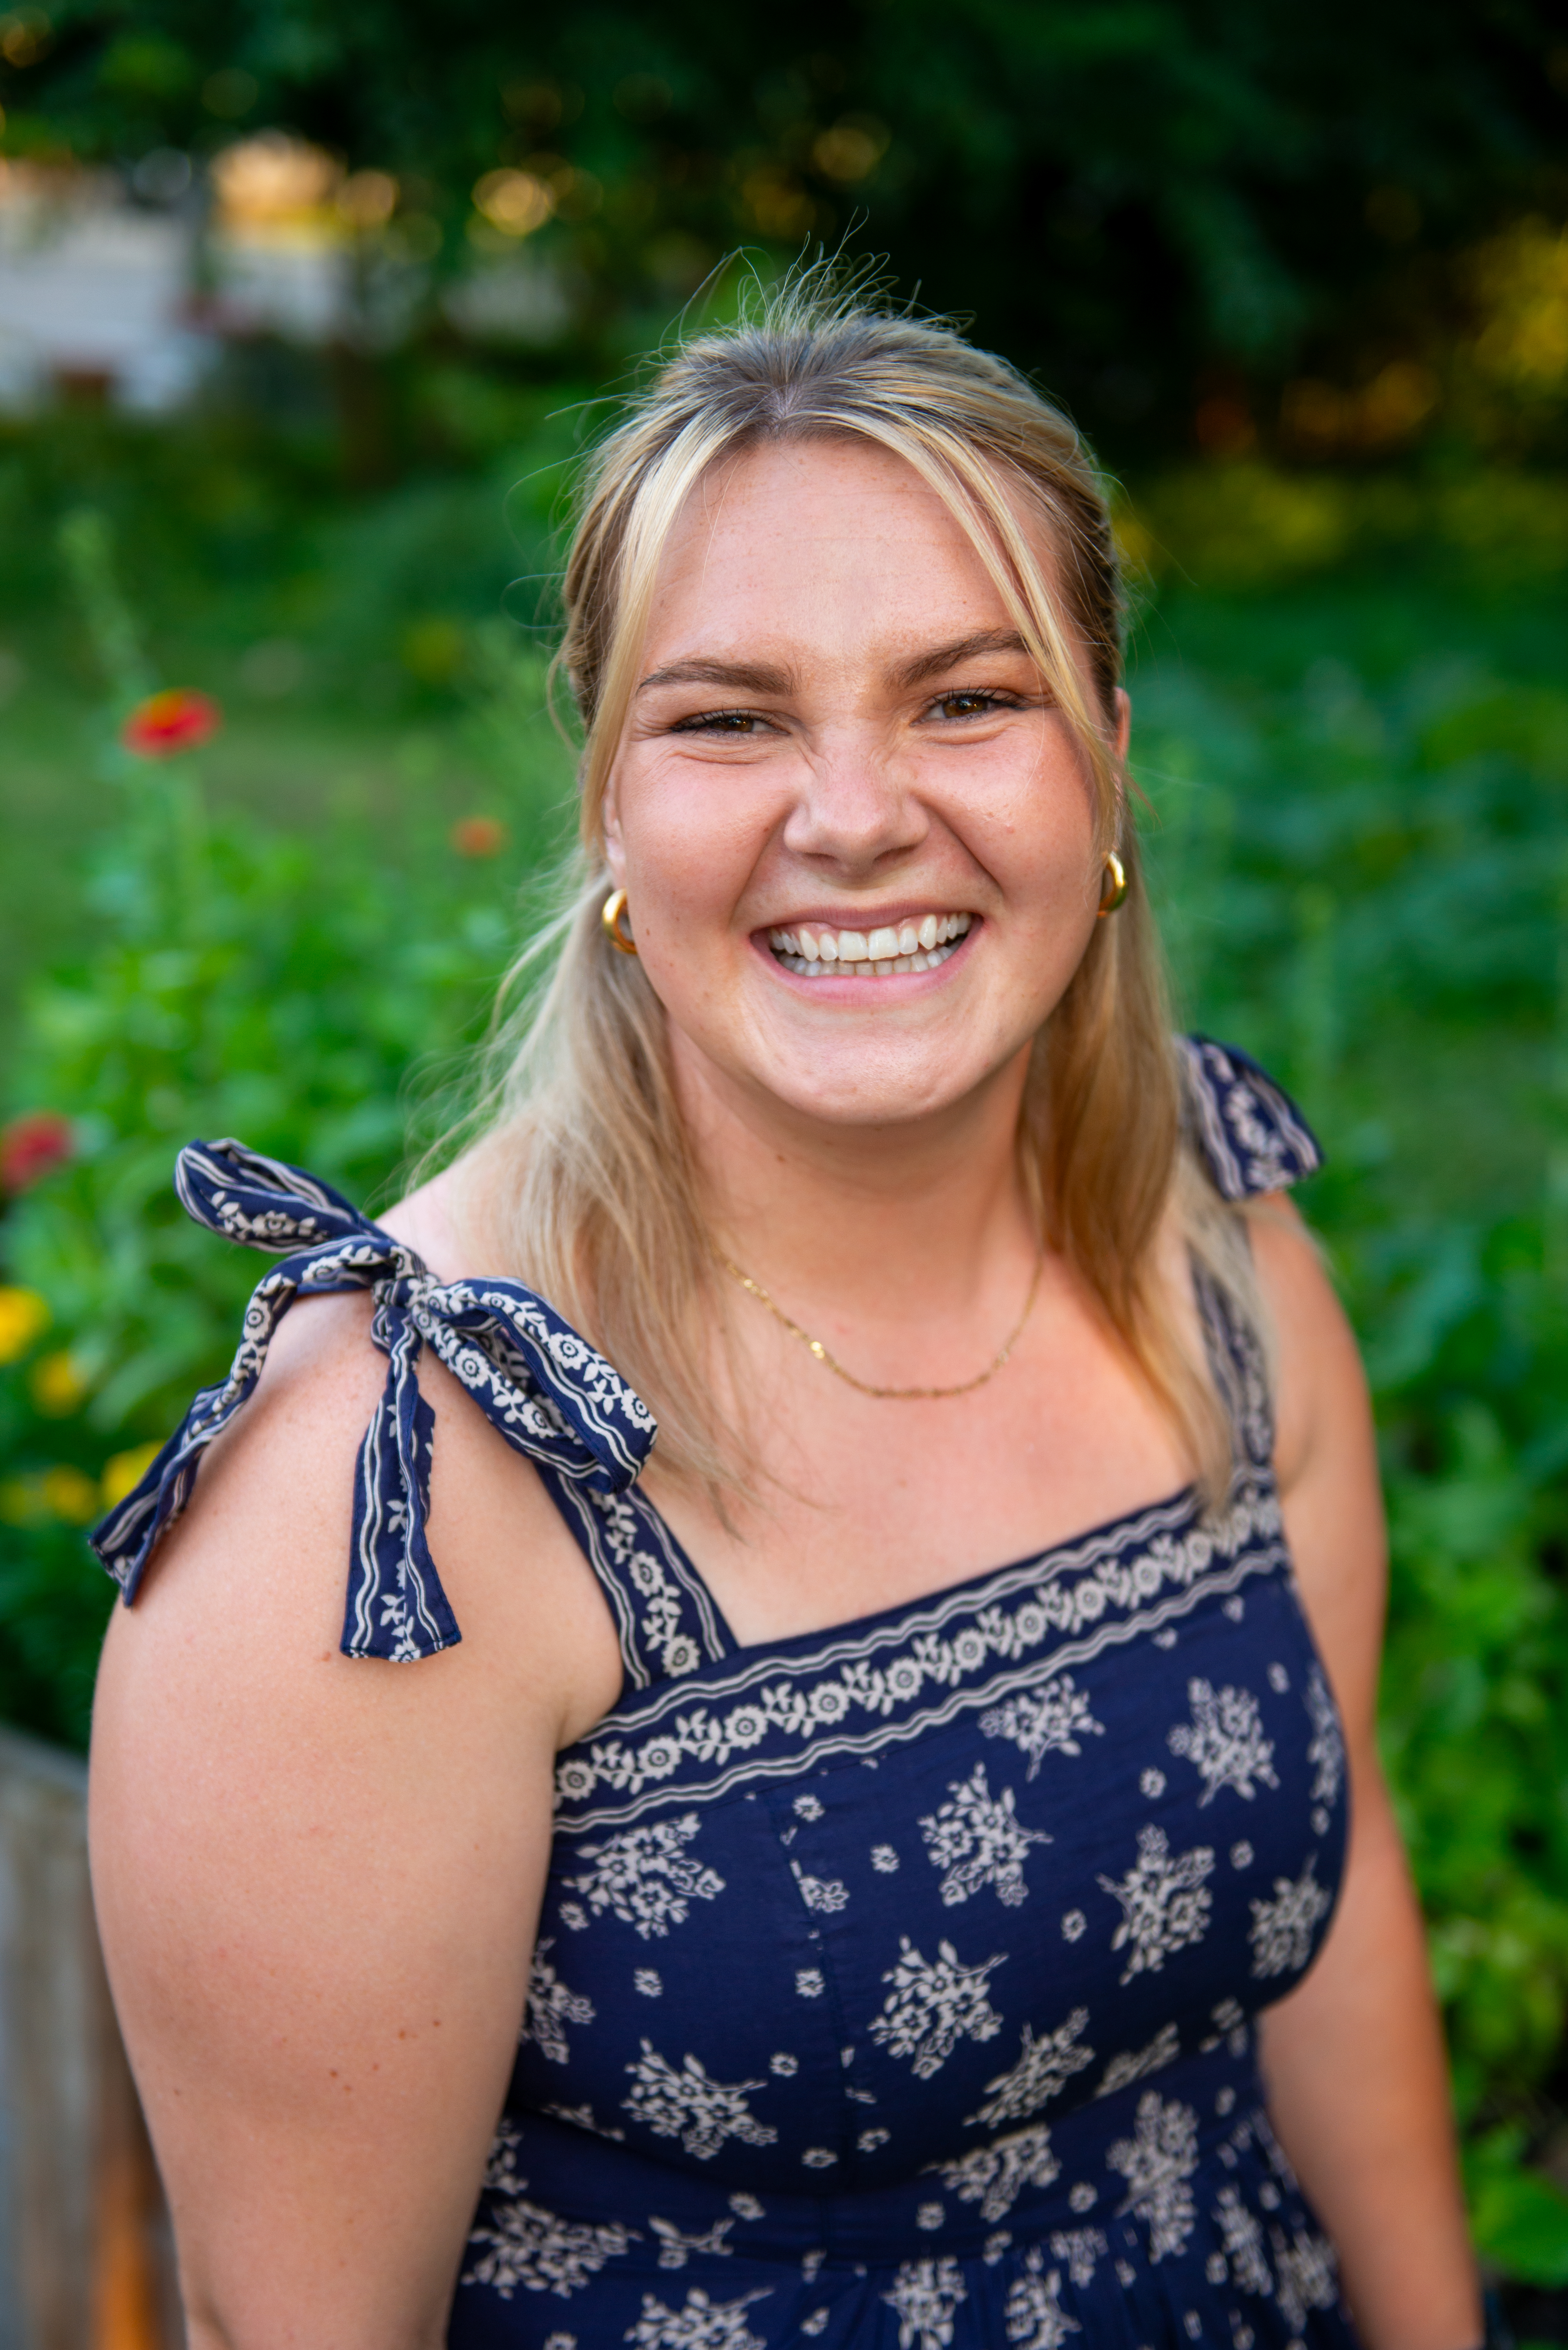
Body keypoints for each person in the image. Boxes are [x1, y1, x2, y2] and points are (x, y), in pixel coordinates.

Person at [87, 281, 1483, 2350]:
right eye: (730, 718)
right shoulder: (392, 1505)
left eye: (967, 699)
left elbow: (1338, 1906)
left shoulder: (1220, 1263)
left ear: (1108, 761)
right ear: (612, 813)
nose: (851, 816)